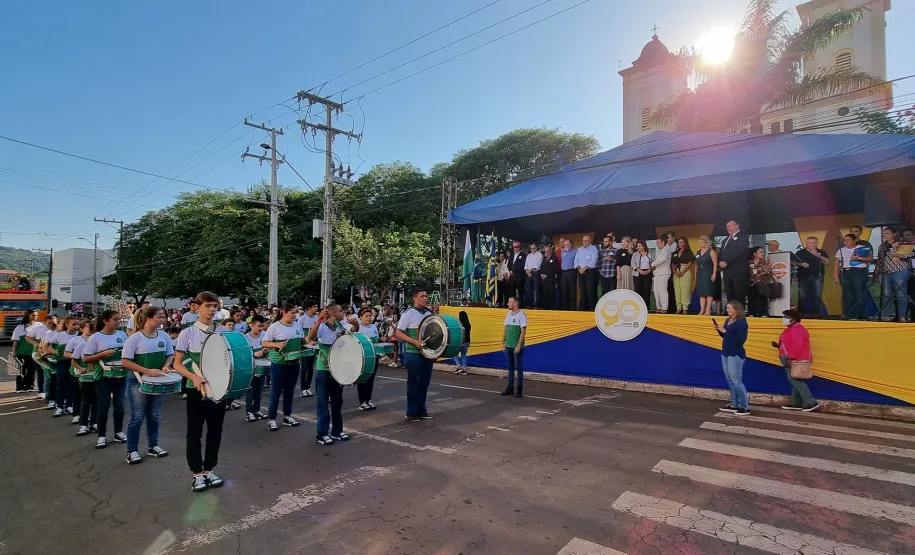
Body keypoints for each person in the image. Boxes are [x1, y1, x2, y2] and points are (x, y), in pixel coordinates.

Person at [172, 291, 227, 493]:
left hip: (218, 390)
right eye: (208, 306)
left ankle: (209, 469)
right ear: (197, 307)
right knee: (194, 432)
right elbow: (177, 364)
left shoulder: (223, 332)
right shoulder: (188, 333)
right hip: (195, 389)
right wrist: (193, 377)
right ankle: (197, 473)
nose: (212, 310)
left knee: (215, 431)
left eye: (215, 306)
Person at [121, 306, 174, 465]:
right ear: (148, 318)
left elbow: (170, 354)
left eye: (163, 317)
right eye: (159, 317)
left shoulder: (163, 335)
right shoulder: (135, 338)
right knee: (137, 416)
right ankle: (131, 451)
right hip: (137, 381)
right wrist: (147, 371)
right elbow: (125, 361)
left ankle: (153, 446)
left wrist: (166, 366)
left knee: (155, 415)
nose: (163, 320)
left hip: (157, 382)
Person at [308, 303, 357, 444]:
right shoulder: (323, 326)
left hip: (338, 367)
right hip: (324, 368)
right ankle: (322, 433)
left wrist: (355, 323)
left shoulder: (342, 325)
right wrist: (318, 320)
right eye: (340, 310)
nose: (343, 312)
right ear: (333, 313)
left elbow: (354, 331)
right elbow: (311, 337)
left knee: (337, 401)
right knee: (322, 401)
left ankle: (337, 431)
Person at [81, 310, 129, 449]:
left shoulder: (122, 334)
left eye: (119, 319)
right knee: (104, 406)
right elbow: (86, 358)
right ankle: (101, 435)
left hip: (121, 375)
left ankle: (118, 432)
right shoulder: (95, 337)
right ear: (106, 321)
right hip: (103, 377)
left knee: (120, 406)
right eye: (115, 319)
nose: (118, 322)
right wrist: (102, 354)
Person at [262, 303, 305, 431]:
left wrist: (308, 342)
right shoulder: (274, 327)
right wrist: (277, 345)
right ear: (284, 312)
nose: (295, 315)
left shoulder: (297, 325)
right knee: (275, 391)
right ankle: (272, 419)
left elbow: (302, 341)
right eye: (292, 312)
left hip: (294, 362)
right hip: (279, 363)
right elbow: (264, 342)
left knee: (289, 391)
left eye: (296, 312)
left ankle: (287, 416)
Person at [396, 290, 435, 422]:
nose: (425, 298)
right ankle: (411, 412)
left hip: (427, 354)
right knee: (414, 382)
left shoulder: (430, 314)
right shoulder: (408, 314)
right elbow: (399, 333)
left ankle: (421, 410)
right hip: (413, 353)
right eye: (422, 296)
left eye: (426, 296)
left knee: (424, 382)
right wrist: (415, 342)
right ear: (414, 298)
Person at [772, 308, 820, 412]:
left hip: (794, 358)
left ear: (793, 319)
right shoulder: (792, 329)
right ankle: (796, 402)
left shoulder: (796, 329)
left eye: (786, 317)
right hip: (792, 357)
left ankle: (811, 401)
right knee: (794, 380)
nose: (783, 319)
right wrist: (779, 346)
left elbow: (798, 346)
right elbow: (790, 344)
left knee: (795, 380)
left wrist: (791, 358)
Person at [715, 300, 749, 416]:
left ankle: (744, 406)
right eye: (727, 308)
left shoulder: (742, 323)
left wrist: (725, 331)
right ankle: (734, 403)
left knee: (736, 381)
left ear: (736, 309)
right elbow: (726, 336)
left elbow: (740, 340)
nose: (727, 310)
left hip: (736, 354)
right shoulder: (727, 320)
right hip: (726, 353)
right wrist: (720, 331)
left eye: (729, 308)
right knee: (730, 380)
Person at [874, 227, 914, 322]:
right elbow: (879, 260)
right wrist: (877, 273)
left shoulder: (902, 243)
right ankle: (886, 315)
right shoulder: (882, 246)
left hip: (899, 271)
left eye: (887, 233)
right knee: (886, 295)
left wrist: (899, 255)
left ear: (894, 234)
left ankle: (902, 316)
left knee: (901, 294)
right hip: (885, 272)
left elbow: (911, 254)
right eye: (884, 234)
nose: (885, 235)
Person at [68, 319, 96, 436]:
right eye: (91, 329)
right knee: (86, 401)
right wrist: (81, 368)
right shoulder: (81, 344)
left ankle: (94, 423)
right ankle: (83, 424)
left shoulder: (100, 344)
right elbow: (73, 361)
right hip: (85, 377)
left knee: (96, 401)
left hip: (98, 377)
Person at [834, 233, 870, 320]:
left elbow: (870, 259)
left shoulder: (862, 248)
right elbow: (836, 263)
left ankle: (860, 315)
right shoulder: (841, 250)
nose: (845, 242)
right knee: (847, 294)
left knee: (859, 293)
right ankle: (848, 314)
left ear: (854, 241)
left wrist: (859, 258)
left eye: (848, 240)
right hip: (845, 271)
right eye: (844, 240)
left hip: (859, 271)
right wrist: (835, 275)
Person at [51, 316, 80, 419]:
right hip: (62, 362)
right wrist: (55, 353)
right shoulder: (60, 335)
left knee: (72, 384)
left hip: (74, 362)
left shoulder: (79, 335)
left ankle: (69, 405)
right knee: (61, 384)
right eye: (73, 324)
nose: (76, 326)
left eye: (77, 324)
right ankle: (59, 406)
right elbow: (46, 345)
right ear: (67, 325)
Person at [794, 236, 830, 317]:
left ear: (817, 243)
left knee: (817, 295)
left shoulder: (821, 251)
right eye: (810, 243)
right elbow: (792, 262)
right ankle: (801, 313)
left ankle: (816, 313)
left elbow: (828, 262)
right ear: (806, 243)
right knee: (803, 295)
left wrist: (818, 255)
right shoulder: (800, 252)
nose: (812, 244)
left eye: (814, 243)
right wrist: (801, 264)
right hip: (804, 276)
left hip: (817, 276)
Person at [244, 314, 270, 422]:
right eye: (259, 326)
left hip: (262, 366)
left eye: (262, 326)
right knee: (251, 390)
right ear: (252, 325)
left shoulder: (264, 335)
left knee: (259, 390)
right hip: (251, 367)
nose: (261, 328)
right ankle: (249, 411)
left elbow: (269, 348)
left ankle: (257, 409)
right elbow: (243, 354)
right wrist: (254, 354)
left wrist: (267, 351)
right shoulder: (246, 337)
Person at [500, 297, 527, 398]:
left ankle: (519, 389)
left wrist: (518, 345)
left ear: (515, 303)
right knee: (510, 367)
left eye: (509, 302)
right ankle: (510, 387)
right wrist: (502, 343)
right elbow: (505, 329)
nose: (508, 304)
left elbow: (523, 332)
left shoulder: (522, 315)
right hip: (509, 346)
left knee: (518, 367)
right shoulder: (508, 314)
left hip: (516, 346)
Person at [719, 220, 749, 307]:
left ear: (737, 226)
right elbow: (721, 253)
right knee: (729, 292)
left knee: (739, 293)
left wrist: (727, 261)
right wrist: (720, 261)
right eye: (727, 227)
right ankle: (731, 310)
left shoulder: (743, 237)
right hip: (727, 271)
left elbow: (740, 251)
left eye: (730, 226)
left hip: (738, 271)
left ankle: (739, 311)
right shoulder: (726, 239)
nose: (728, 228)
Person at [356, 307, 379, 410]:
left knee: (371, 379)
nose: (369, 318)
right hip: (363, 357)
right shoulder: (358, 328)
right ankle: (362, 402)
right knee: (363, 379)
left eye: (370, 316)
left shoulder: (373, 327)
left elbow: (377, 340)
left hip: (373, 356)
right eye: (366, 316)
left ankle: (368, 399)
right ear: (361, 317)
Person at [11, 309, 39, 392]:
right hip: (22, 352)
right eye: (33, 315)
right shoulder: (20, 327)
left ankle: (29, 386)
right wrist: (14, 352)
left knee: (31, 370)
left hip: (34, 352)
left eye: (36, 315)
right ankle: (20, 387)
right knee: (21, 370)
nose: (35, 317)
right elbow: (16, 341)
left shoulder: (39, 325)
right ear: (28, 316)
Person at [297, 301, 319, 398]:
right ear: (308, 308)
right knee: (304, 367)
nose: (316, 308)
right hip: (304, 346)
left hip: (313, 345)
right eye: (314, 306)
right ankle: (303, 389)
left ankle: (308, 387)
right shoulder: (302, 319)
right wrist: (306, 341)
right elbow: (299, 332)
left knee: (310, 368)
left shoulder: (316, 318)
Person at [694, 236, 718, 315]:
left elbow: (715, 263)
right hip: (700, 274)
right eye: (699, 242)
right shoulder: (698, 252)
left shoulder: (711, 251)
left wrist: (714, 274)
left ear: (706, 243)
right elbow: (696, 264)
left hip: (708, 273)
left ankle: (708, 309)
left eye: (702, 242)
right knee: (701, 292)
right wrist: (695, 275)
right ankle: (702, 309)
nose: (700, 244)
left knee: (708, 291)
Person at [575, 234, 599, 311]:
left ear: (590, 241)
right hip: (580, 272)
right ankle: (583, 307)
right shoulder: (579, 249)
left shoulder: (594, 249)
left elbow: (593, 260)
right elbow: (576, 260)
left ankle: (592, 307)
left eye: (586, 241)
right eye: (583, 241)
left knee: (590, 290)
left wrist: (584, 268)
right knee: (582, 290)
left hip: (590, 272)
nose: (584, 242)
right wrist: (579, 268)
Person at [747, 246, 774, 317]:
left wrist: (762, 271)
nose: (763, 253)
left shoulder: (765, 262)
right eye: (761, 252)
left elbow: (769, 271)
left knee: (763, 299)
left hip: (762, 283)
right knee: (751, 299)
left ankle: (764, 313)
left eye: (763, 252)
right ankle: (751, 313)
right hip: (752, 284)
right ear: (755, 254)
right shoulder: (749, 262)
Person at [672, 237, 695, 314]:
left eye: (681, 242)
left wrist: (682, 272)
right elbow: (672, 263)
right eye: (678, 243)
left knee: (685, 290)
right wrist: (674, 271)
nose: (680, 244)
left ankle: (685, 307)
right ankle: (678, 307)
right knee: (677, 290)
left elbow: (690, 262)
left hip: (685, 271)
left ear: (685, 243)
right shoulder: (675, 252)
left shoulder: (689, 252)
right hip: (676, 271)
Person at [651, 237, 672, 313]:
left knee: (662, 291)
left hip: (663, 273)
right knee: (656, 291)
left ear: (663, 242)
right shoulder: (661, 251)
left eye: (658, 242)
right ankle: (659, 306)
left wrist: (652, 264)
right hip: (657, 273)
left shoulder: (666, 250)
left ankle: (664, 307)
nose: (657, 244)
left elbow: (662, 259)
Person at [632, 241, 653, 306]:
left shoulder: (649, 253)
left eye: (640, 246)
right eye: (637, 246)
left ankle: (647, 307)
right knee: (638, 290)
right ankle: (639, 307)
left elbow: (653, 263)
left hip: (648, 273)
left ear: (644, 246)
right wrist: (639, 270)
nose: (638, 247)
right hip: (637, 273)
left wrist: (649, 270)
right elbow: (632, 263)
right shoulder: (635, 254)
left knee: (646, 290)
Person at [559, 238, 578, 310]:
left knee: (572, 289)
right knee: (564, 289)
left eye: (566, 245)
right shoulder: (562, 251)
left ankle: (573, 306)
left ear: (571, 245)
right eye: (564, 245)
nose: (565, 246)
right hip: (563, 272)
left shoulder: (575, 251)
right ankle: (565, 306)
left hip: (571, 271)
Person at [523, 242, 543, 309]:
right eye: (531, 248)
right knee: (528, 289)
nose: (532, 249)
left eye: (533, 248)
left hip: (535, 273)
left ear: (536, 248)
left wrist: (530, 271)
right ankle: (529, 304)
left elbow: (537, 265)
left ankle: (536, 304)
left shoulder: (539, 255)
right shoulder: (528, 255)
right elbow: (525, 266)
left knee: (536, 289)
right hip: (528, 274)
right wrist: (527, 272)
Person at [539, 244, 559, 310]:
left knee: (551, 293)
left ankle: (552, 308)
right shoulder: (544, 258)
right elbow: (541, 267)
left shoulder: (554, 258)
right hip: (544, 280)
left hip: (551, 279)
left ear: (551, 251)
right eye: (545, 251)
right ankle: (545, 307)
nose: (546, 253)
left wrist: (546, 275)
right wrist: (541, 274)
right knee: (545, 293)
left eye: (547, 251)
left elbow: (553, 268)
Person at [454, 311, 471, 375]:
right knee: (464, 355)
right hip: (467, 342)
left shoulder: (460, 324)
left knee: (454, 354)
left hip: (461, 342)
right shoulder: (469, 325)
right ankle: (464, 369)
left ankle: (459, 366)